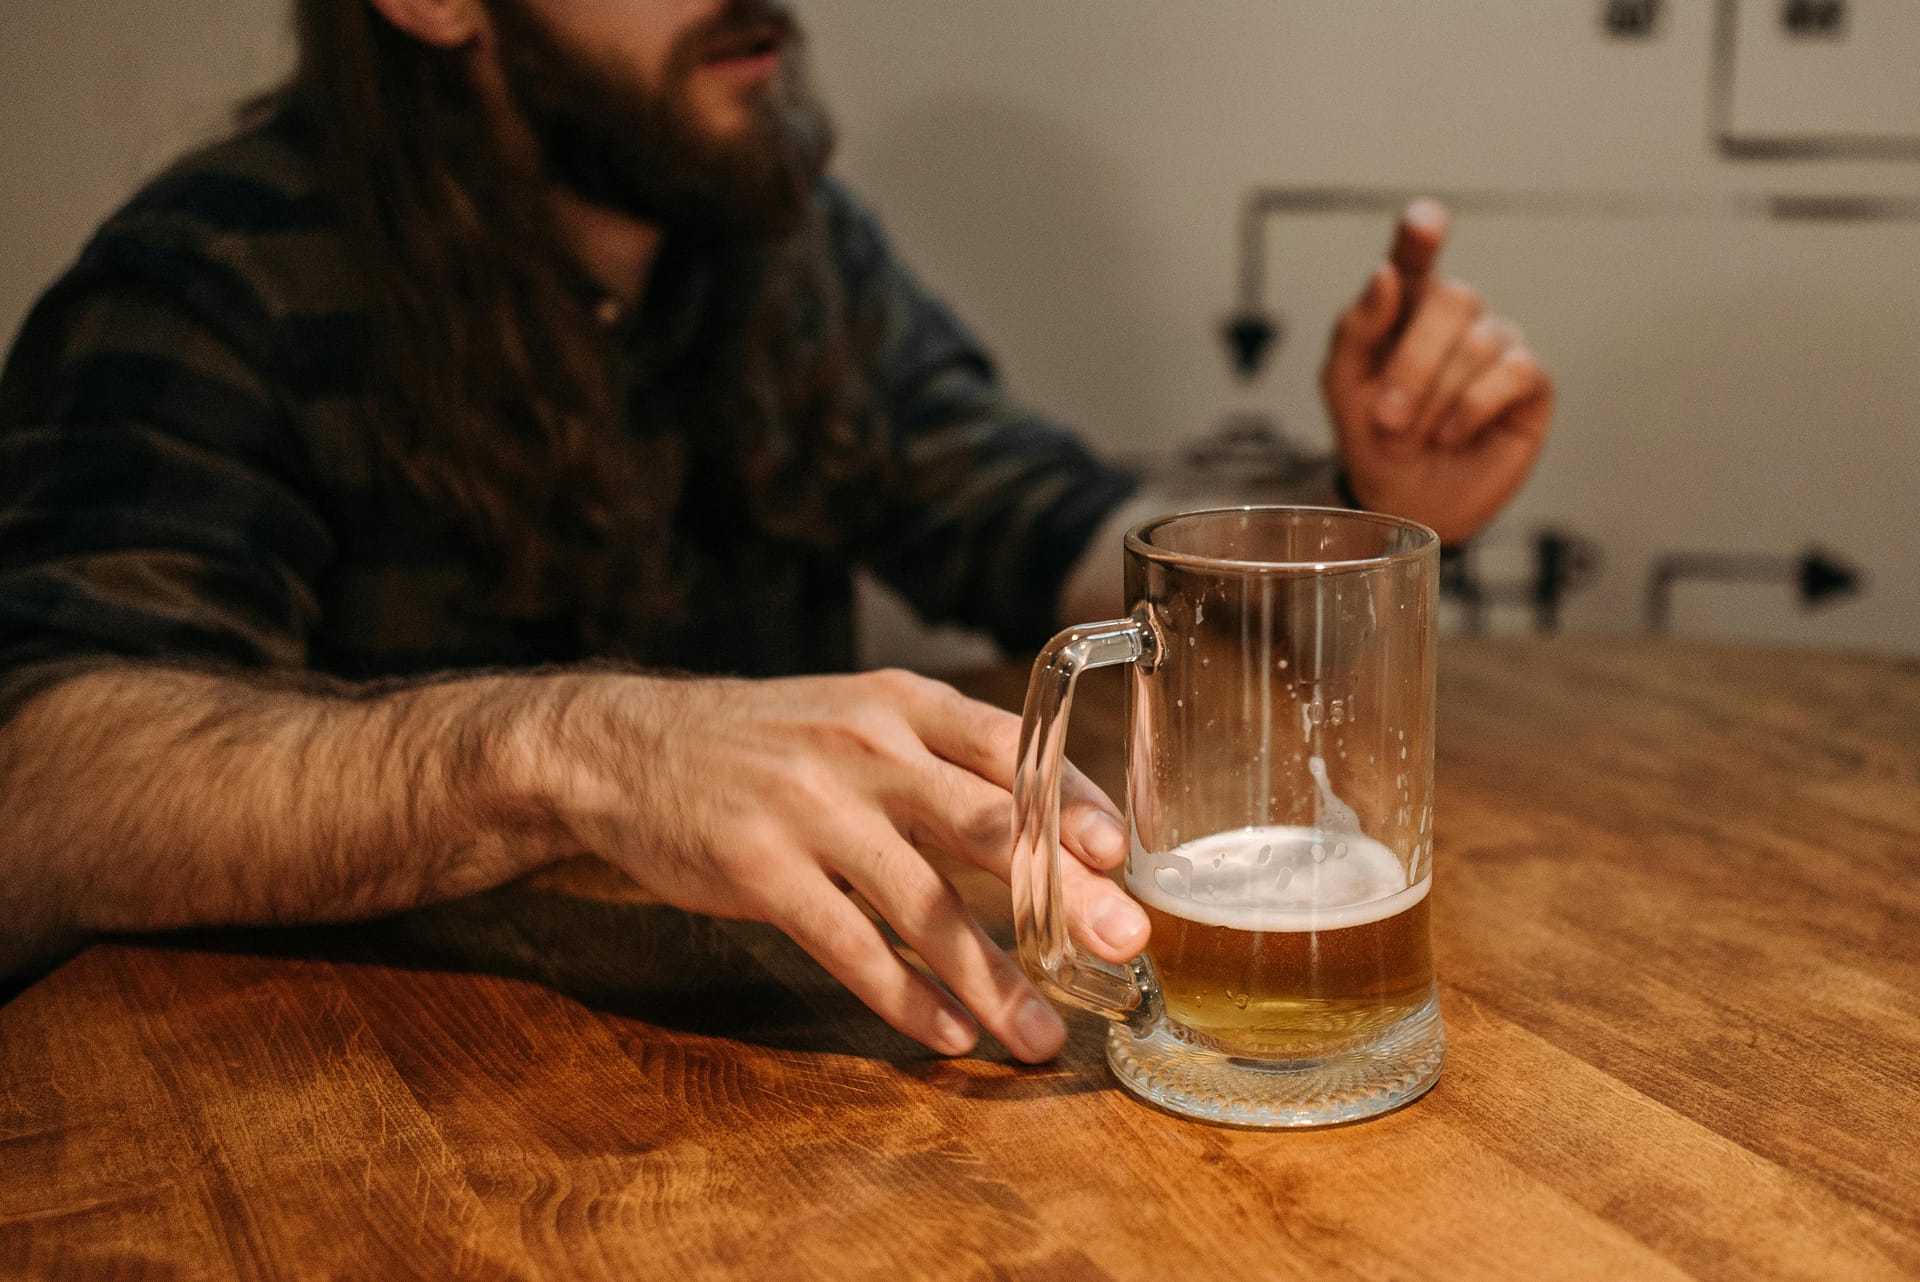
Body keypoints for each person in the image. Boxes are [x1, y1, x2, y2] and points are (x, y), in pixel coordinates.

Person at [0, 0, 1553, 1061]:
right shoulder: (211, 288)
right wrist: (576, 747)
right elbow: (44, 789)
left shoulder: (781, 244)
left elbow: (1046, 528)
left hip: (803, 1121)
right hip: (331, 1156)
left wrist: (1362, 511)